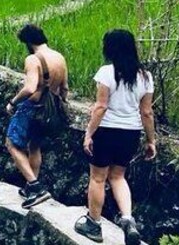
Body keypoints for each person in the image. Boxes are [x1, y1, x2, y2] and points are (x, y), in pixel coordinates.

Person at [74, 30, 156, 245]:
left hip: (107, 130)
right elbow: (146, 112)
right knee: (118, 176)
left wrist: (88, 133)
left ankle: (93, 224)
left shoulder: (106, 72)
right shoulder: (145, 77)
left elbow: (100, 107)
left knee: (98, 178)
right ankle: (128, 220)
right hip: (131, 133)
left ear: (109, 48)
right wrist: (151, 141)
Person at [5, 24, 69, 209]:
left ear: (28, 42)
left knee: (11, 143)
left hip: (31, 107)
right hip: (49, 110)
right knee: (34, 146)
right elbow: (65, 89)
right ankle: (29, 187)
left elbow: (30, 87)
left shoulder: (33, 59)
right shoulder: (59, 57)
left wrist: (13, 102)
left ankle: (35, 186)